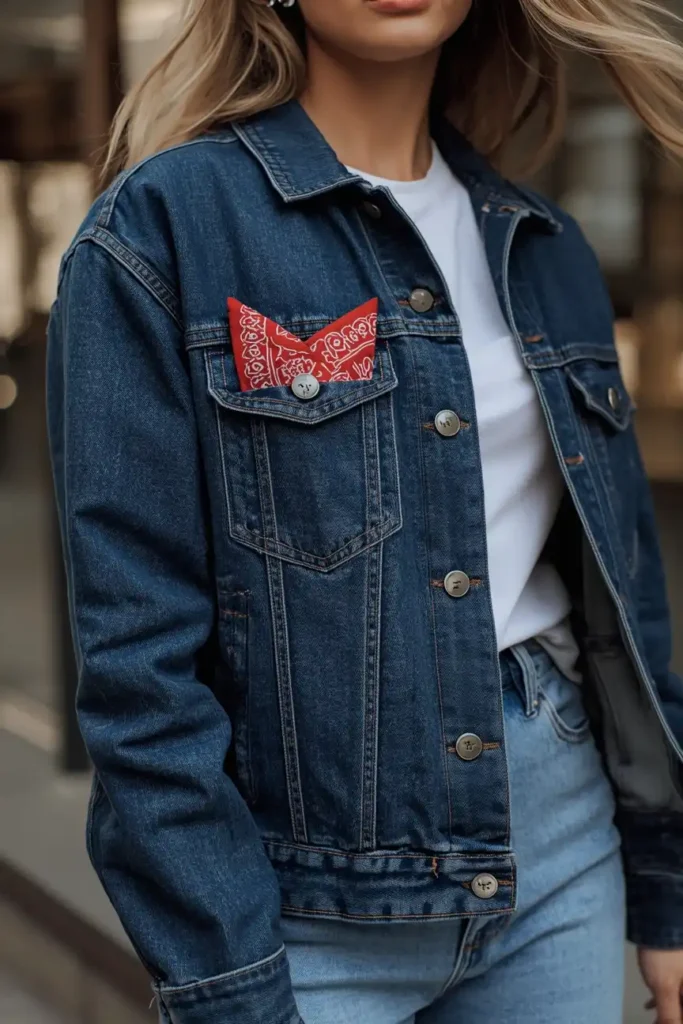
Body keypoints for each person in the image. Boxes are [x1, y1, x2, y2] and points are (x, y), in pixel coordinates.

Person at [47, 0, 683, 1021]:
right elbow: (138, 675)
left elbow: (624, 604)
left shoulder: (539, 242)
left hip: (558, 845)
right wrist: (226, 985)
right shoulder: (162, 231)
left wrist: (665, 890)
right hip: (300, 903)